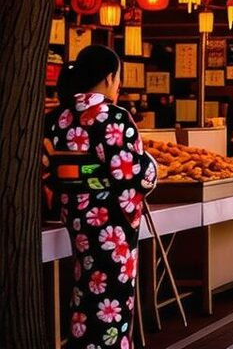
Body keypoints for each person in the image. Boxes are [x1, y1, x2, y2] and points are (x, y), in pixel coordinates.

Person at [43, 45, 158, 349]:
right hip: (112, 220)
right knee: (114, 293)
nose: (118, 84)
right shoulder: (113, 117)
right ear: (109, 77)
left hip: (75, 212)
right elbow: (133, 173)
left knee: (85, 284)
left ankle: (83, 342)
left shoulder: (59, 117)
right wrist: (153, 167)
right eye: (118, 77)